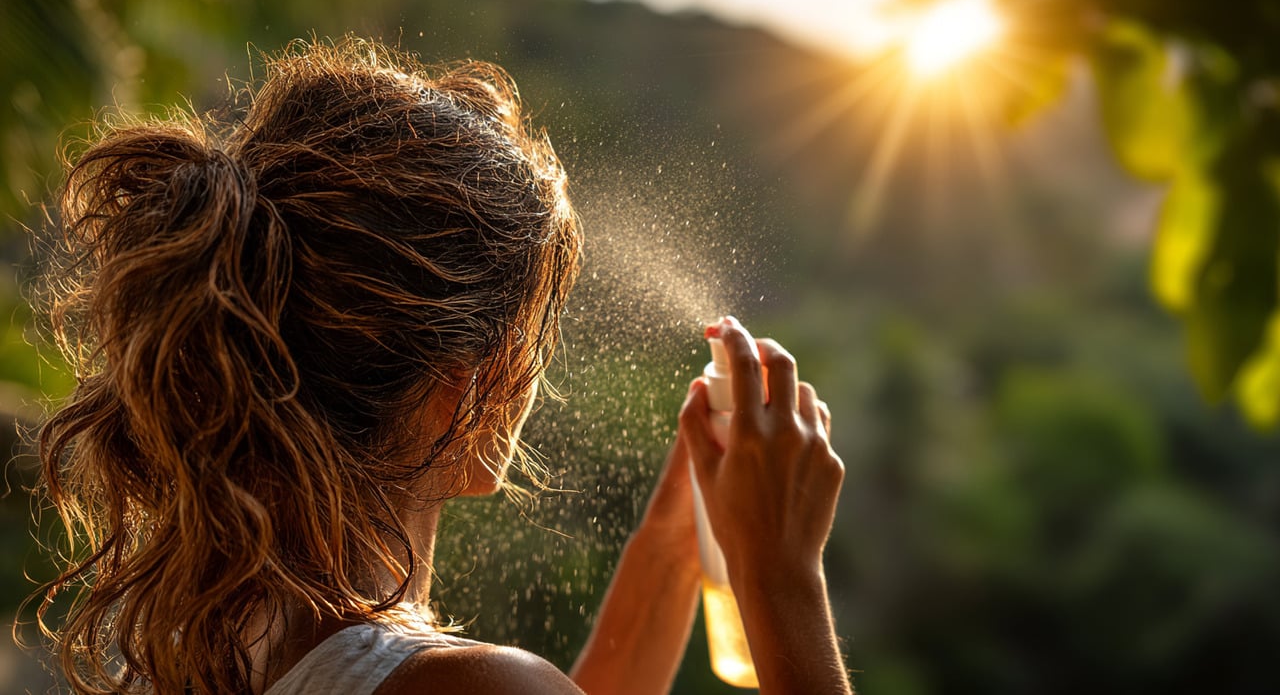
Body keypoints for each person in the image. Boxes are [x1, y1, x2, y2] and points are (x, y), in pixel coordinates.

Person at [31, 37, 851, 694]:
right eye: (527, 341)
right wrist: (782, 580)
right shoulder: (474, 685)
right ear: (459, 396)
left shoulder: (215, 643)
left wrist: (674, 548)